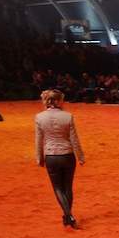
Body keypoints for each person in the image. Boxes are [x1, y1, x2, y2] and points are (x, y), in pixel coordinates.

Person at [34, 89, 85, 229]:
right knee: (68, 187)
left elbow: (39, 140)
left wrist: (39, 157)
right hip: (68, 155)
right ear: (57, 101)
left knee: (57, 187)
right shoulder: (68, 116)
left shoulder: (39, 117)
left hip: (51, 156)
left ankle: (68, 215)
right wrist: (80, 156)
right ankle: (68, 216)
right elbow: (74, 139)